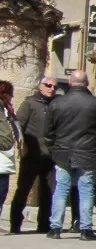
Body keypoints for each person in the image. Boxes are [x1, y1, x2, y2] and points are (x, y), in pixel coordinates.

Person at [40, 70, 96, 240]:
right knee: (87, 190)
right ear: (87, 83)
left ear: (70, 82)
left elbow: (47, 132)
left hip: (62, 152)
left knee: (61, 189)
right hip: (88, 152)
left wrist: (54, 149)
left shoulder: (57, 103)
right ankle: (85, 230)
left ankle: (55, 228)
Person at [9, 75, 57, 234]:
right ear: (40, 86)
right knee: (23, 189)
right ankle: (15, 224)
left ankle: (44, 224)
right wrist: (22, 147)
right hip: (32, 155)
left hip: (50, 156)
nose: (52, 89)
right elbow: (19, 126)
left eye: (54, 87)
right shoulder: (30, 103)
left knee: (48, 192)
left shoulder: (56, 104)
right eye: (48, 85)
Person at [0, 81, 18, 213]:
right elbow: (5, 136)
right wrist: (6, 145)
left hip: (4, 160)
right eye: (11, 94)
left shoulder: (7, 110)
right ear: (5, 94)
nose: (12, 97)